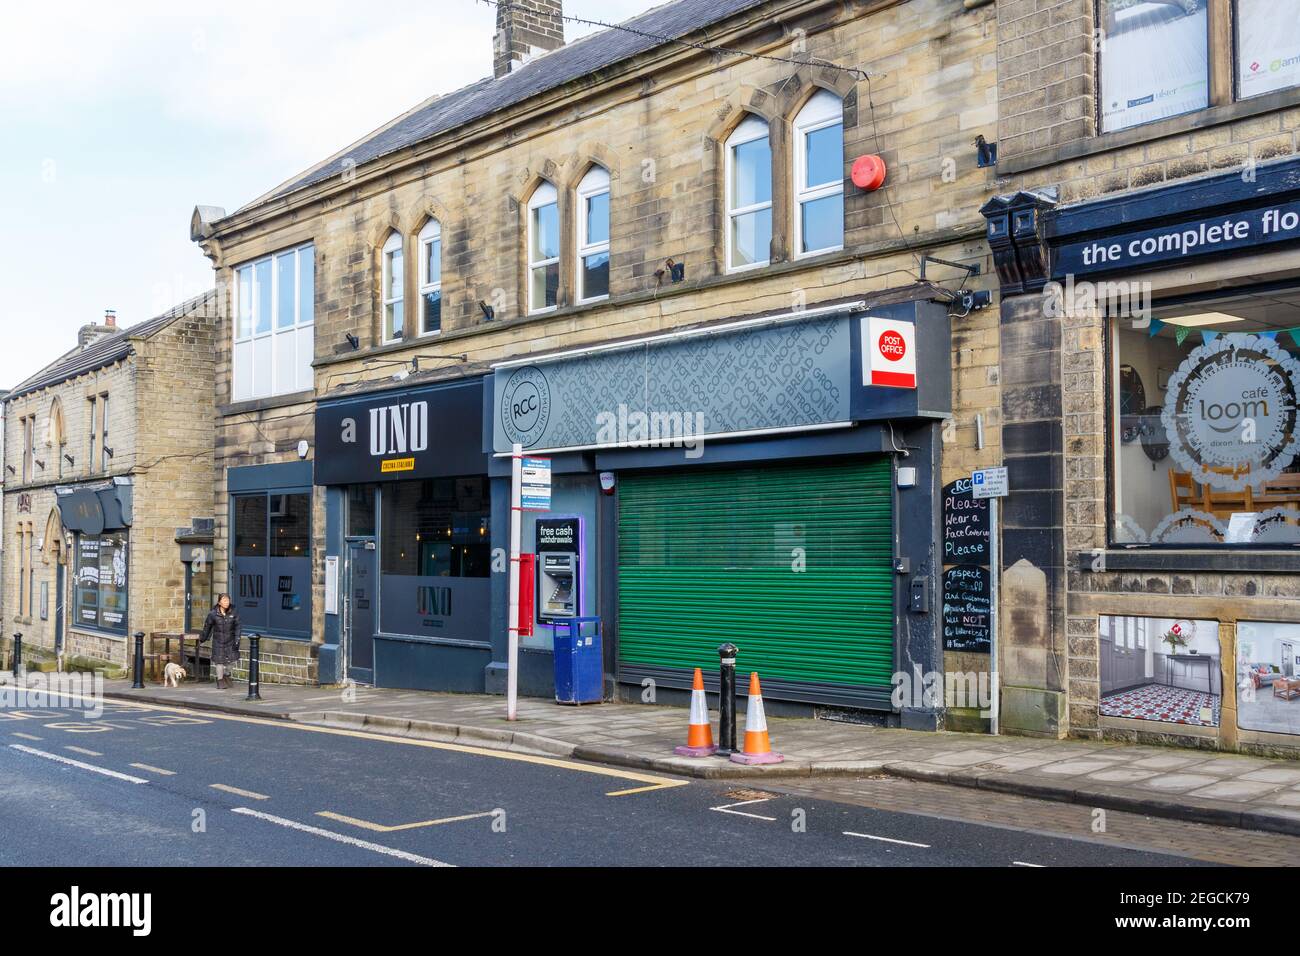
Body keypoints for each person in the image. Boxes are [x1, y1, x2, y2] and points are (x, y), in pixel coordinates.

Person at [200, 594, 241, 689]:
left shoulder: (233, 612)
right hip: (218, 641)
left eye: (228, 600)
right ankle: (220, 680)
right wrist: (203, 638)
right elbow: (207, 627)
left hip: (230, 640)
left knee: (232, 660)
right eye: (224, 600)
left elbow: (238, 626)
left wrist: (237, 638)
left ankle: (226, 675)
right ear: (219, 602)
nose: (227, 602)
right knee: (219, 661)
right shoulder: (213, 614)